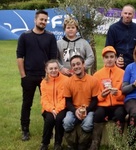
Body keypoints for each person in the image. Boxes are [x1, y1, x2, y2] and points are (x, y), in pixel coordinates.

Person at [16, 9, 58, 141]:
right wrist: (23, 76)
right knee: (26, 104)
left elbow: (53, 58)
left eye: (46, 20)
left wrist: (49, 75)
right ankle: (25, 130)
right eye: (41, 19)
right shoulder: (25, 36)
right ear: (35, 20)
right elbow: (19, 57)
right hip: (29, 76)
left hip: (45, 77)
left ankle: (49, 129)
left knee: (48, 104)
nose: (44, 22)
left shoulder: (50, 37)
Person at [90, 46, 126, 150]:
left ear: (115, 58)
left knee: (120, 114)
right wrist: (102, 95)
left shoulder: (122, 73)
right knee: (98, 114)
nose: (109, 59)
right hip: (103, 105)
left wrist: (117, 93)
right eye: (106, 57)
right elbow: (95, 97)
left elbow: (126, 94)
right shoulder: (97, 75)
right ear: (103, 59)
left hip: (118, 104)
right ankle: (95, 143)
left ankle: (117, 143)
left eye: (111, 56)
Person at [63, 55, 99, 149]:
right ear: (71, 67)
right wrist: (75, 111)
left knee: (87, 124)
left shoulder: (93, 80)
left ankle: (83, 144)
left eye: (78, 64)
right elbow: (68, 101)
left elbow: (95, 100)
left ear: (83, 64)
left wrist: (86, 110)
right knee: (67, 122)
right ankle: (72, 144)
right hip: (74, 109)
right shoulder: (68, 82)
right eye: (73, 65)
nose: (76, 66)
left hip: (88, 109)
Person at [40, 59, 68, 150]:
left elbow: (65, 98)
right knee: (49, 120)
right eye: (51, 68)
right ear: (46, 70)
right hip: (49, 108)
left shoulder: (66, 80)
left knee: (59, 119)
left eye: (55, 68)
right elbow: (44, 99)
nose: (53, 70)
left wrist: (57, 110)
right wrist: (51, 109)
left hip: (61, 107)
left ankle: (58, 143)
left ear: (58, 68)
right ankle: (45, 143)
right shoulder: (44, 82)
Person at [105, 5, 136, 69]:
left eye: (130, 14)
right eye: (125, 13)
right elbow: (109, 47)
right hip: (117, 63)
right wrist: (115, 59)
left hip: (133, 63)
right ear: (121, 14)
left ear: (133, 15)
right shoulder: (113, 28)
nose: (127, 16)